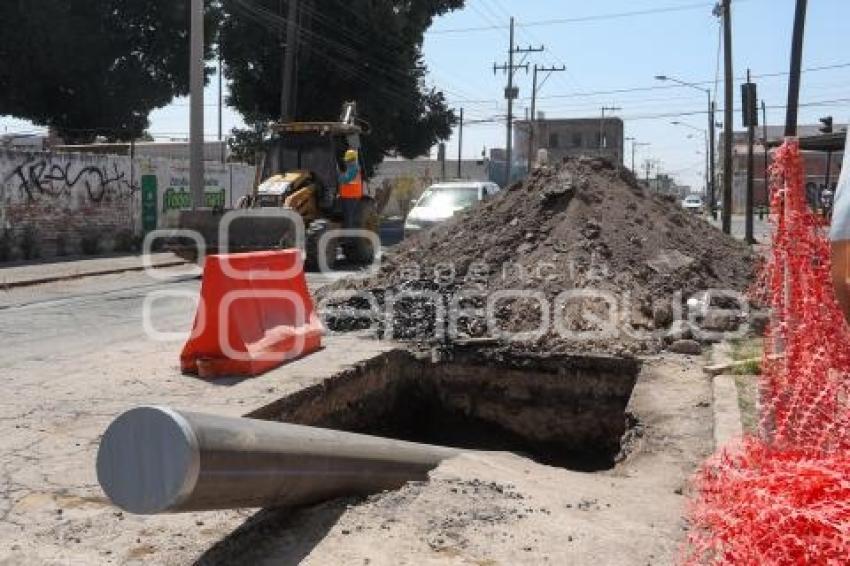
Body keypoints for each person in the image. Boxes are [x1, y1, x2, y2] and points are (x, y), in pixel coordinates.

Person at [338, 149, 362, 229]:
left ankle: (349, 235)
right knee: (347, 217)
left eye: (348, 160)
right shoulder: (351, 169)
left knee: (349, 218)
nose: (346, 162)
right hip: (348, 196)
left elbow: (345, 180)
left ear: (352, 160)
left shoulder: (354, 169)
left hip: (351, 197)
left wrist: (339, 175)